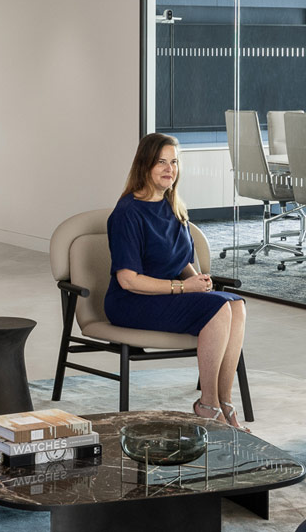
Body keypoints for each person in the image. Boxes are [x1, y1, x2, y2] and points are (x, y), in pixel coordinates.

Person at [105, 133, 252, 431]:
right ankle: (207, 404)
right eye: (161, 162)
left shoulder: (172, 206)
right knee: (218, 309)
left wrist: (193, 278)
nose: (169, 168)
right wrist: (185, 288)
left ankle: (224, 401)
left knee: (236, 305)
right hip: (131, 302)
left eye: (173, 162)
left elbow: (176, 258)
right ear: (144, 165)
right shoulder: (126, 213)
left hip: (166, 296)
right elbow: (128, 280)